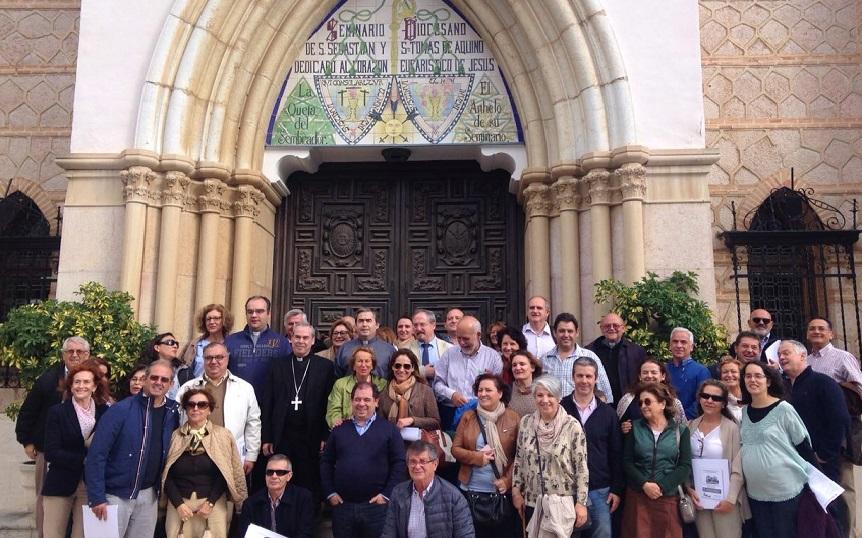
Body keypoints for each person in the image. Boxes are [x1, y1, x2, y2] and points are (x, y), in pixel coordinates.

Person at [85, 359, 180, 537]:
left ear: (171, 384)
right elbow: (96, 455)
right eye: (154, 377)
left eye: (164, 380)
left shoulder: (173, 412)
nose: (158, 382)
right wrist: (97, 497)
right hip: (115, 494)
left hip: (149, 495)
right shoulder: (120, 410)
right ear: (145, 379)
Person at [16, 335, 90, 536]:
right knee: (47, 502)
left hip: (84, 457)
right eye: (70, 351)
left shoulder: (95, 381)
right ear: (63, 355)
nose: (74, 355)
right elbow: (28, 411)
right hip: (49, 452)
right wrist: (27, 440)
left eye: (79, 351)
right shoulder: (48, 380)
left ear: (87, 355)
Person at [780, 339, 850, 535]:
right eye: (780, 355)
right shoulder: (785, 387)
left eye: (786, 353)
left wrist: (824, 454)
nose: (782, 358)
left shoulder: (823, 383)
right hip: (796, 462)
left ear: (803, 356)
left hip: (822, 462)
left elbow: (840, 420)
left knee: (829, 510)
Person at [321, 381, 406, 538]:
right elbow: (326, 462)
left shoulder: (389, 430)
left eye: (367, 399)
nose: (361, 404)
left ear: (376, 401)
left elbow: (399, 463)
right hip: (343, 507)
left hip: (376, 508)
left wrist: (386, 495)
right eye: (357, 399)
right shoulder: (339, 430)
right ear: (351, 401)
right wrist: (330, 492)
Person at [262, 321, 334, 505]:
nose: (301, 341)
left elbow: (329, 403)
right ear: (290, 339)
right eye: (297, 337)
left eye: (305, 338)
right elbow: (268, 402)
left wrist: (325, 435)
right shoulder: (277, 366)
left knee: (308, 484)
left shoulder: (324, 367)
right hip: (283, 436)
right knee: (281, 481)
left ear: (312, 341)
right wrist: (267, 437)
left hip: (311, 436)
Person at [739, 360, 813, 538]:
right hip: (756, 492)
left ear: (768, 381)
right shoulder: (744, 412)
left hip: (785, 491)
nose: (753, 380)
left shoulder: (783, 409)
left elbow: (804, 447)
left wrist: (815, 482)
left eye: (758, 376)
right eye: (748, 376)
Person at [162, 388, 247, 538]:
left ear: (209, 409)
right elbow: (166, 473)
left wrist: (210, 503)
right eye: (191, 404)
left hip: (212, 504)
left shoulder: (223, 435)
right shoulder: (175, 436)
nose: (196, 408)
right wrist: (178, 504)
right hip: (179, 504)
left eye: (202, 405)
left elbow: (226, 472)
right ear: (185, 408)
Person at [511, 375, 589, 533]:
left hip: (562, 503)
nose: (545, 400)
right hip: (532, 502)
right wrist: (516, 491)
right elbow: (519, 459)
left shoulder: (572, 426)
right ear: (534, 397)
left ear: (559, 398)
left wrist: (581, 503)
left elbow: (581, 468)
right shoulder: (526, 423)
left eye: (550, 395)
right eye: (540, 395)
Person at [41, 361, 110, 538]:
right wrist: (84, 460)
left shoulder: (105, 412)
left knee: (83, 535)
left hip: (90, 486)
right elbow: (51, 451)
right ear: (70, 386)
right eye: (77, 382)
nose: (81, 386)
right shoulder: (57, 412)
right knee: (52, 534)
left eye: (87, 382)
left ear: (95, 386)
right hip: (60, 482)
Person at [176, 342, 261, 475]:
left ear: (227, 358)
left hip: (232, 454)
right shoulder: (188, 388)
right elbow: (177, 421)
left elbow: (253, 423)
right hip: (196, 455)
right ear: (203, 360)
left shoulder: (244, 388)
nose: (214, 361)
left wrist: (251, 456)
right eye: (209, 358)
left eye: (219, 357)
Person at [561, 357, 623, 538]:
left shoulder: (608, 413)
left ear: (596, 378)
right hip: (567, 491)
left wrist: (616, 489)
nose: (584, 381)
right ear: (573, 377)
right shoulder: (561, 409)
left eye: (589, 376)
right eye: (580, 376)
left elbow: (616, 454)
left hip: (599, 490)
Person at [621, 382, 692, 538]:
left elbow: (685, 466)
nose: (643, 406)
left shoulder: (680, 431)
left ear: (662, 403)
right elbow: (627, 461)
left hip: (667, 498)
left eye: (648, 401)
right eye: (640, 403)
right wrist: (644, 484)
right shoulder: (635, 428)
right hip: (638, 497)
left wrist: (661, 486)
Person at [452, 373, 519, 538]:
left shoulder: (513, 418)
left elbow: (520, 456)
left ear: (500, 393)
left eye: (488, 390)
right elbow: (455, 449)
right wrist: (477, 457)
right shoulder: (468, 416)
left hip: (501, 492)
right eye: (480, 390)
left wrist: (508, 480)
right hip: (470, 491)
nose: (483, 394)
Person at [685, 379, 748, 538]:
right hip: (699, 499)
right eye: (705, 396)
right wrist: (688, 489)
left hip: (725, 500)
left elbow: (737, 468)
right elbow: (684, 463)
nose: (710, 401)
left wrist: (730, 499)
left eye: (716, 398)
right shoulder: (690, 426)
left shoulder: (732, 428)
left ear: (724, 403)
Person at [381, 441, 475, 538]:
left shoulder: (454, 497)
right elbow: (389, 532)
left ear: (435, 464)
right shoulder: (398, 493)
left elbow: (466, 535)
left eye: (423, 461)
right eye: (413, 461)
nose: (417, 466)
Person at [433, 316, 503, 430]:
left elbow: (498, 388)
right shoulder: (449, 354)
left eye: (466, 339)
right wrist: (452, 394)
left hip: (482, 413)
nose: (461, 342)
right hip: (450, 412)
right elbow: (437, 384)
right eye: (459, 338)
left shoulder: (493, 357)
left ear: (478, 335)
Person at [225, 295, 292, 398]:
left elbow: (288, 375)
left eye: (259, 311)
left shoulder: (281, 342)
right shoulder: (231, 341)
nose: (254, 315)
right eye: (250, 311)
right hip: (237, 401)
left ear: (269, 313)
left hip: (269, 403)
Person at [541, 312, 615, 403]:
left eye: (570, 331)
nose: (566, 335)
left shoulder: (590, 357)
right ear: (555, 333)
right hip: (553, 414)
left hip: (582, 414)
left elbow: (606, 392)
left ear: (577, 333)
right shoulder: (545, 360)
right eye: (562, 331)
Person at [236, 454, 314, 538]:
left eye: (280, 472)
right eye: (270, 472)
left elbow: (305, 533)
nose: (274, 476)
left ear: (289, 476)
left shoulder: (303, 499)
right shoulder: (251, 503)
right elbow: (244, 534)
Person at [586, 312, 647, 404]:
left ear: (623, 328)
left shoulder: (637, 352)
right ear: (601, 329)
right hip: (598, 404)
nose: (611, 328)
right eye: (607, 326)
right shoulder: (589, 351)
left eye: (616, 325)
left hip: (629, 405)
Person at [378, 349, 441, 431]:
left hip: (418, 441)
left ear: (412, 368)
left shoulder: (425, 390)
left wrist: (413, 420)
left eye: (406, 366)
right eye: (397, 366)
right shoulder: (384, 392)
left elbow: (436, 422)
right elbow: (379, 422)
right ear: (392, 367)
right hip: (391, 439)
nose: (401, 370)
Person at [326, 346, 388, 428]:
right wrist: (337, 422)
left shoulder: (383, 384)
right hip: (347, 429)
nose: (363, 365)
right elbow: (333, 411)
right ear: (353, 365)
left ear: (372, 365)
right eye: (359, 361)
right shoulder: (340, 384)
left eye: (367, 361)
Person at [616, 359, 688, 428]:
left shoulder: (673, 402)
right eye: (645, 372)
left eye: (654, 372)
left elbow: (682, 430)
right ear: (640, 377)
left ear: (663, 376)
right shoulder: (627, 400)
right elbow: (616, 427)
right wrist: (623, 427)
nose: (649, 376)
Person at [335, 307, 396, 378]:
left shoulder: (389, 350)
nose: (364, 324)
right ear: (356, 325)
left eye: (368, 321)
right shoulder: (344, 348)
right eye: (361, 321)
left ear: (377, 325)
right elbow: (337, 377)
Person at [665, 327, 711, 419]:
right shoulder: (663, 370)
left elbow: (703, 399)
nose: (679, 345)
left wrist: (681, 418)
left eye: (683, 342)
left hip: (691, 424)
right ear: (670, 345)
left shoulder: (701, 371)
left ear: (691, 347)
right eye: (675, 341)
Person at [180, 303, 233, 379]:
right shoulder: (195, 344)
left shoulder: (232, 343)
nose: (211, 322)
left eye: (216, 318)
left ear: (224, 320)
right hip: (197, 388)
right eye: (208, 319)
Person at [141, 331, 189, 399]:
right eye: (170, 342)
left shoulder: (184, 371)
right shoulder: (143, 369)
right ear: (157, 347)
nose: (175, 346)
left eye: (176, 344)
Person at [409, 308, 452, 383]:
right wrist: (422, 372)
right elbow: (401, 373)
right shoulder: (406, 349)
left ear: (433, 325)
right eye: (415, 325)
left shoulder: (448, 348)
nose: (418, 329)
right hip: (415, 393)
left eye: (422, 324)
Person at [508, 349, 542, 417]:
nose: (517, 368)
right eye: (514, 365)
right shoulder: (507, 390)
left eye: (522, 364)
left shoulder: (542, 388)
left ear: (532, 367)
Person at [718, 357, 744, 421]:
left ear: (740, 374)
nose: (729, 375)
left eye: (733, 372)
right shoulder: (718, 398)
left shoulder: (750, 395)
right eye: (725, 372)